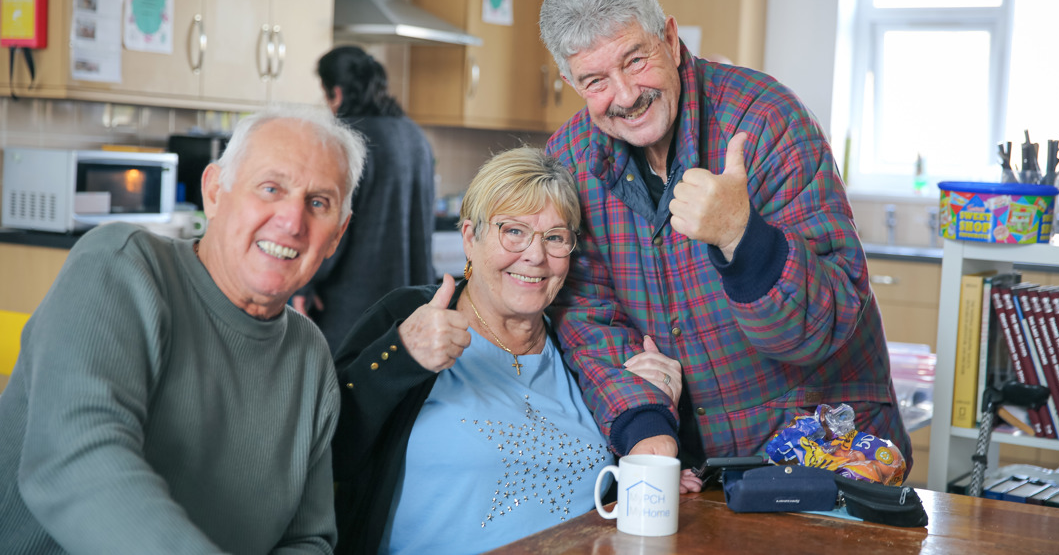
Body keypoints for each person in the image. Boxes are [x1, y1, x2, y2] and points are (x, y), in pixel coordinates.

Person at [538, 0, 912, 487]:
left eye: (635, 60)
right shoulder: (572, 158)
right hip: (694, 468)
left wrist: (742, 237)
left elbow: (824, 326)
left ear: (668, 36)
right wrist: (646, 426)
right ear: (569, 81)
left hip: (829, 452)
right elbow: (586, 322)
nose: (624, 96)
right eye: (595, 80)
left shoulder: (765, 119)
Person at [0, 105, 366, 553]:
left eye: (318, 203)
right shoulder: (121, 266)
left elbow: (306, 538)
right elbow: (75, 461)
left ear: (336, 235)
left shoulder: (310, 355)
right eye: (271, 188)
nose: (292, 221)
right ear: (214, 192)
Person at [330, 147, 682, 555]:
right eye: (513, 231)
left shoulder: (579, 344)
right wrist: (401, 356)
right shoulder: (412, 316)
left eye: (554, 237)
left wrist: (652, 398)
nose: (535, 256)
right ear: (469, 238)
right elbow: (327, 449)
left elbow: (613, 490)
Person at [292, 45, 436, 353]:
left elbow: (332, 224)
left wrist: (305, 284)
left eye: (326, 95)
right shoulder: (415, 135)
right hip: (411, 304)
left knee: (344, 395)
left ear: (338, 93)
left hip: (353, 309)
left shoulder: (349, 140)